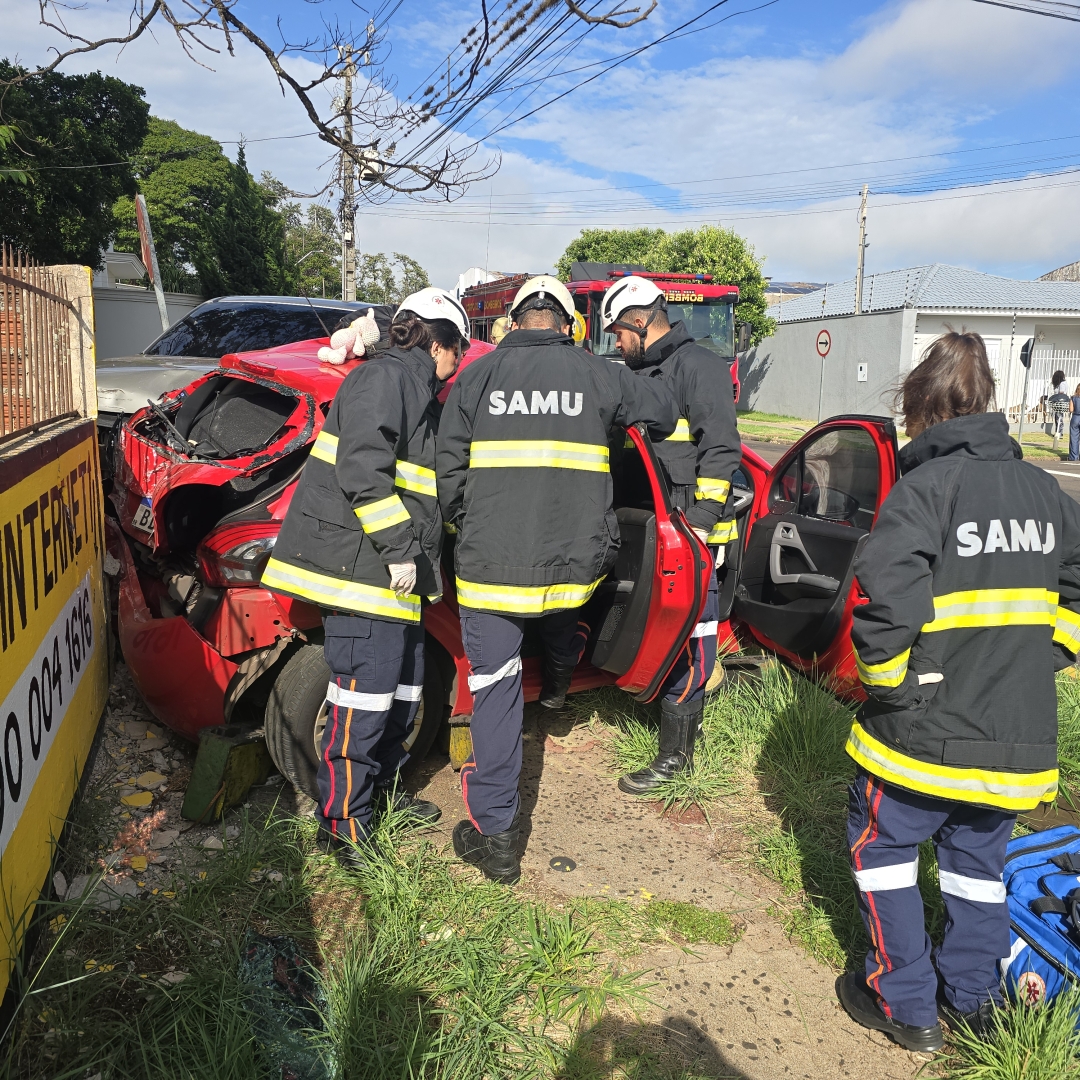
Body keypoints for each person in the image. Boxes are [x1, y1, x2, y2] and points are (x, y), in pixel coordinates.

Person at [837, 329, 1080, 1051]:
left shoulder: (924, 491)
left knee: (883, 854)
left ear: (922, 409)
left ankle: (903, 1001)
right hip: (1016, 738)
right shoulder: (1047, 494)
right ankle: (969, 999)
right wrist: (1047, 657)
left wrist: (892, 690)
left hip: (921, 738)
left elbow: (886, 606)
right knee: (979, 870)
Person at [437, 275, 679, 884]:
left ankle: (495, 838)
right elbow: (667, 411)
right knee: (560, 615)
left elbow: (447, 475)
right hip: (572, 571)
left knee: (494, 689)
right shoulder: (600, 374)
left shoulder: (475, 376)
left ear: (512, 322)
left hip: (492, 570)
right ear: (569, 323)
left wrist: (472, 524)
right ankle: (560, 685)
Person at [262, 288, 471, 869]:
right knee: (365, 701)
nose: (459, 359)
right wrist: (402, 548)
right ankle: (344, 824)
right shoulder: (388, 381)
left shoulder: (413, 388)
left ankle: (382, 796)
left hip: (390, 582)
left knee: (403, 694)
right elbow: (364, 471)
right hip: (365, 576)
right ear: (437, 341)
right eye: (459, 346)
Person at [598, 276, 742, 795]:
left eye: (618, 331)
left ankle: (676, 757)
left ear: (640, 321)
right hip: (656, 528)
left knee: (692, 640)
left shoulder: (697, 367)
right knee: (662, 629)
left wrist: (702, 522)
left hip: (690, 535)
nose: (615, 341)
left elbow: (721, 448)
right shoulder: (645, 371)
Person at [1070, 382, 1080, 461]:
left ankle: (1074, 457)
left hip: (1075, 417)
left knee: (1074, 439)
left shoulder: (1073, 398)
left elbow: (1071, 410)